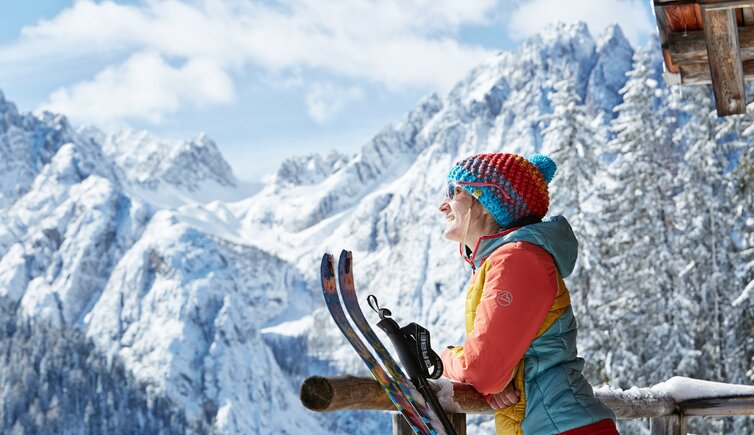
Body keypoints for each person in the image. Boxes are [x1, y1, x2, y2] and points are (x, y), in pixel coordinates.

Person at [438, 152, 618, 435]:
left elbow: (482, 370)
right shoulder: (503, 260)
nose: (442, 206)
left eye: (453, 191)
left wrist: (445, 360)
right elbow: (493, 372)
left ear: (486, 203)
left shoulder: (517, 259)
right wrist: (491, 383)